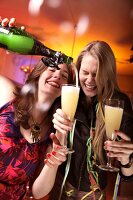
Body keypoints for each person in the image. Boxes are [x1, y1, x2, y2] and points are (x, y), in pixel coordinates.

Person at [0, 17, 74, 199]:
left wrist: (53, 164)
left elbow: (38, 191)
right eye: (52, 68)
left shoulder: (55, 132)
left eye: (64, 75)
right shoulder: (7, 93)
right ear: (38, 74)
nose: (57, 75)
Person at [51, 40, 133, 200]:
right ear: (78, 70)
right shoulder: (68, 94)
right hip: (59, 185)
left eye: (97, 74)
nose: (89, 80)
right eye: (85, 72)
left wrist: (126, 159)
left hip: (94, 194)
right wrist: (54, 124)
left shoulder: (118, 102)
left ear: (107, 74)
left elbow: (128, 175)